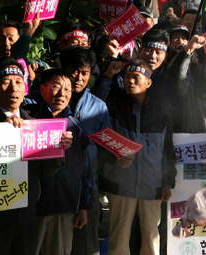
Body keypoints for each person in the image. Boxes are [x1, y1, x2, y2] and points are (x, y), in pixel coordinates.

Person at [0, 58, 72, 255]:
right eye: (6, 82)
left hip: (27, 216)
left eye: (18, 82)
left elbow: (46, 171)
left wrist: (58, 149)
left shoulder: (33, 124)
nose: (13, 89)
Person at [99, 59, 177, 255]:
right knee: (118, 240)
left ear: (148, 83)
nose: (130, 82)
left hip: (152, 187)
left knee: (151, 240)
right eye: (126, 77)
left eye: (136, 78)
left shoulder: (161, 112)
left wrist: (167, 182)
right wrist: (114, 156)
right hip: (121, 184)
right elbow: (103, 140)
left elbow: (168, 149)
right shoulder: (113, 107)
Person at [59, 47, 112, 255]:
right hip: (56, 184)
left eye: (85, 73)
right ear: (64, 69)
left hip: (88, 187)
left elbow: (106, 146)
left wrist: (118, 157)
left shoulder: (98, 106)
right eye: (75, 71)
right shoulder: (49, 99)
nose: (79, 78)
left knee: (87, 247)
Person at [33, 68, 90, 255]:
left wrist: (82, 206)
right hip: (33, 208)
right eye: (56, 87)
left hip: (64, 207)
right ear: (42, 89)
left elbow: (84, 171)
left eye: (67, 89)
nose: (62, 94)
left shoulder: (77, 127)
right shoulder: (28, 121)